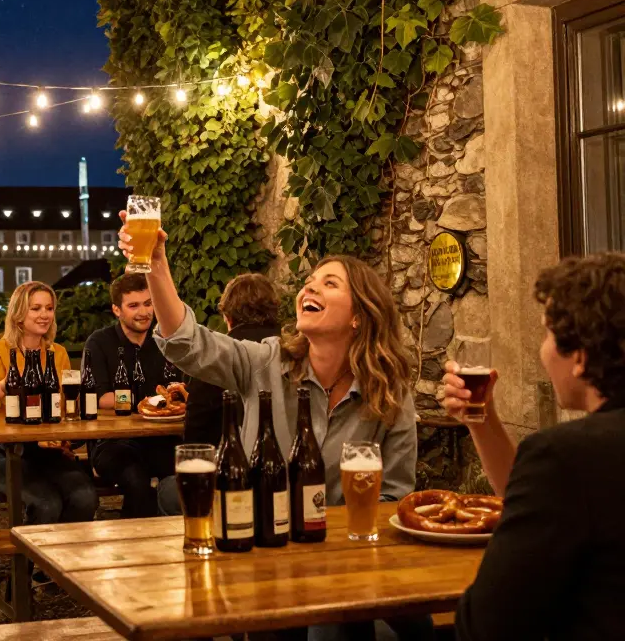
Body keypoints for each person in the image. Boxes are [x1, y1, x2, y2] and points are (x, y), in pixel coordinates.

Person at [120, 214, 417, 507]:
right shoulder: (266, 361)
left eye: (330, 284)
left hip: (346, 548)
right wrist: (155, 264)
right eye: (310, 281)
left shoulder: (389, 391)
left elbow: (394, 496)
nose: (309, 288)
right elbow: (188, 343)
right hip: (259, 540)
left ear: (358, 316)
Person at [446, 253, 625, 640]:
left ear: (579, 356)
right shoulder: (573, 460)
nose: (543, 351)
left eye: (547, 334)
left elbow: (486, 627)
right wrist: (482, 417)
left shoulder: (566, 455)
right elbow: (541, 507)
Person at [0, 282, 98, 525]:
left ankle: (61, 559)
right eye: (36, 308)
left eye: (49, 308)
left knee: (84, 498)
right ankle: (28, 562)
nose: (44, 315)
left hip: (45, 451)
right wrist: (3, 385)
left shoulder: (56, 352)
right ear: (18, 314)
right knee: (46, 503)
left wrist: (63, 437)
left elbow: (61, 407)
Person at [157, 272, 281, 515]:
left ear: (227, 317)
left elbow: (195, 441)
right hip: (283, 480)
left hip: (231, 482)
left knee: (166, 490)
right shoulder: (294, 352)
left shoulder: (220, 360)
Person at [82, 273, 182, 519]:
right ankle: (131, 549)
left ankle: (167, 544)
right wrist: (142, 404)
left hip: (160, 438)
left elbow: (179, 390)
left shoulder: (166, 339)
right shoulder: (100, 342)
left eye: (148, 304)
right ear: (117, 309)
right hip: (112, 442)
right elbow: (97, 397)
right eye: (134, 305)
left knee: (185, 476)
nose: (144, 312)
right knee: (138, 485)